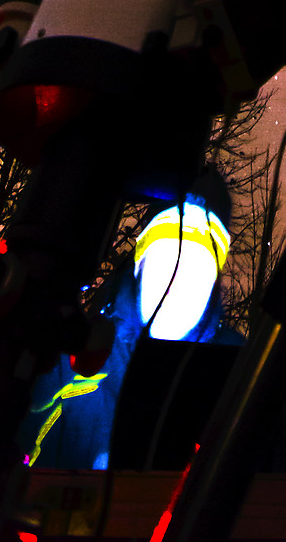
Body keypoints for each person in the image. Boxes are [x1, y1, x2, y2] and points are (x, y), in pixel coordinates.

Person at [20, 169, 241, 471]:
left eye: (196, 269)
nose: (176, 285)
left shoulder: (240, 381)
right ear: (138, 268)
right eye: (165, 262)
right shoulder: (71, 365)